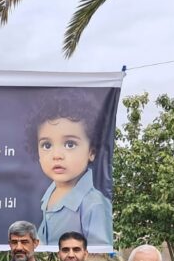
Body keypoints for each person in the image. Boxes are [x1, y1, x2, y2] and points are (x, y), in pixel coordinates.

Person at [27, 90, 112, 248]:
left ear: (92, 152)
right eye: (47, 145)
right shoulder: (48, 195)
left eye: (70, 144)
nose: (57, 155)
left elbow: (99, 253)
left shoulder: (95, 204)